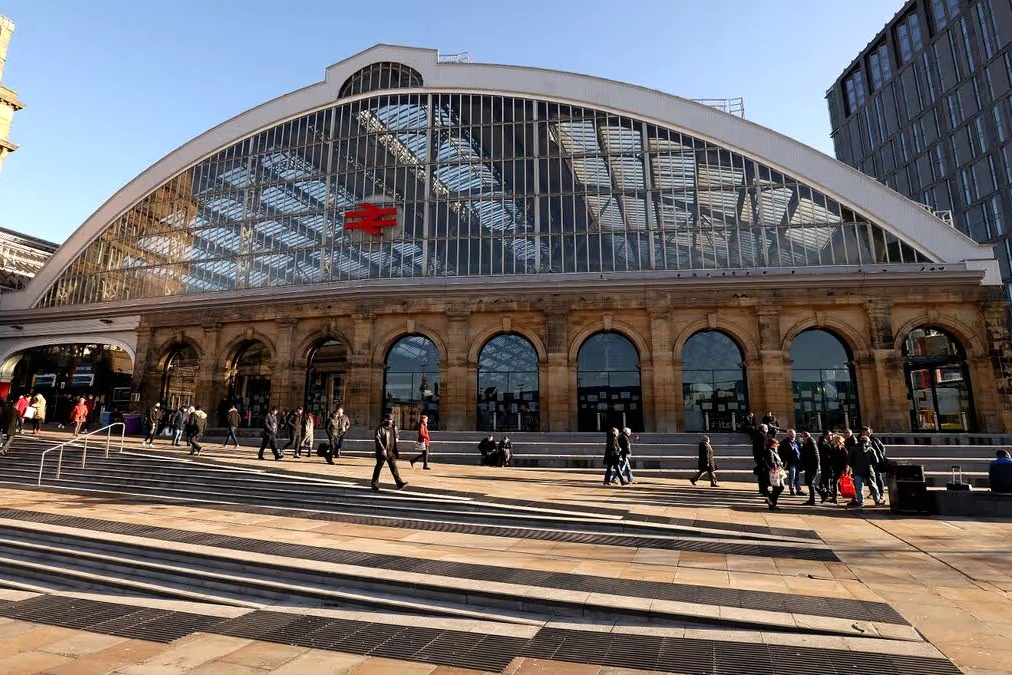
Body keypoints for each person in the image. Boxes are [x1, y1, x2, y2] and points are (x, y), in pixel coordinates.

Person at [372, 413, 407, 491]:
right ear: (385, 419)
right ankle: (374, 483)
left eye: (391, 419)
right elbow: (377, 439)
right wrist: (382, 449)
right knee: (378, 467)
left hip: (391, 451)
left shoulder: (394, 427)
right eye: (388, 419)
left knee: (394, 468)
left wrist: (397, 438)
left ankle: (400, 483)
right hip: (383, 452)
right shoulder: (380, 428)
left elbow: (397, 434)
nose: (389, 421)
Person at [848, 431, 883, 508]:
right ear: (868, 442)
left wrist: (854, 466)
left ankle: (860, 502)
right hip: (869, 470)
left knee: (859, 487)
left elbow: (849, 460)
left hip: (857, 470)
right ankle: (877, 501)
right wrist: (871, 467)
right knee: (873, 486)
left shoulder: (853, 448)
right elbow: (876, 461)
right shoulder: (870, 449)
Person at [763, 435, 786, 510]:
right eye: (776, 443)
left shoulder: (773, 451)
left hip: (777, 472)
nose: (777, 445)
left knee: (779, 487)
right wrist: (777, 465)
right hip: (773, 472)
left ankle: (771, 501)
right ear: (773, 444)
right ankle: (772, 502)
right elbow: (771, 462)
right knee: (778, 487)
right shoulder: (769, 451)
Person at [799, 431, 822, 505]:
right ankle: (821, 494)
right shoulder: (807, 443)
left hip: (812, 466)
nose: (801, 438)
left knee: (810, 482)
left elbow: (815, 456)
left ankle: (813, 498)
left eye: (802, 437)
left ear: (806, 437)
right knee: (809, 482)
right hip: (809, 466)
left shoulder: (811, 443)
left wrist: (817, 466)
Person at [865, 426, 888, 496]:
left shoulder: (874, 439)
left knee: (877, 476)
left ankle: (881, 492)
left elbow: (881, 448)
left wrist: (880, 457)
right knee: (869, 477)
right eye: (864, 432)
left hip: (875, 461)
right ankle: (873, 491)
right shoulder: (860, 439)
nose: (865, 433)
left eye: (867, 432)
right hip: (866, 461)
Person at [750, 423, 770, 496]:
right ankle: (763, 489)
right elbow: (763, 447)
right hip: (762, 458)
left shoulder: (758, 435)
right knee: (763, 474)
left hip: (758, 457)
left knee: (761, 474)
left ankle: (762, 489)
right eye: (766, 428)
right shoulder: (761, 436)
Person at [782, 429, 803, 496]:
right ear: (787, 435)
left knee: (797, 476)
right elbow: (784, 453)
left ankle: (798, 489)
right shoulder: (785, 442)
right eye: (791, 435)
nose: (792, 436)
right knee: (792, 476)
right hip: (791, 462)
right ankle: (791, 489)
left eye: (793, 435)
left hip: (798, 461)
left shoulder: (796, 442)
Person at [817, 430, 834, 498]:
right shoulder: (823, 443)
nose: (831, 437)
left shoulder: (825, 442)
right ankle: (826, 489)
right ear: (826, 435)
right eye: (830, 435)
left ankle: (826, 488)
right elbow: (828, 452)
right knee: (827, 476)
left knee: (826, 476)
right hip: (826, 462)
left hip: (826, 462)